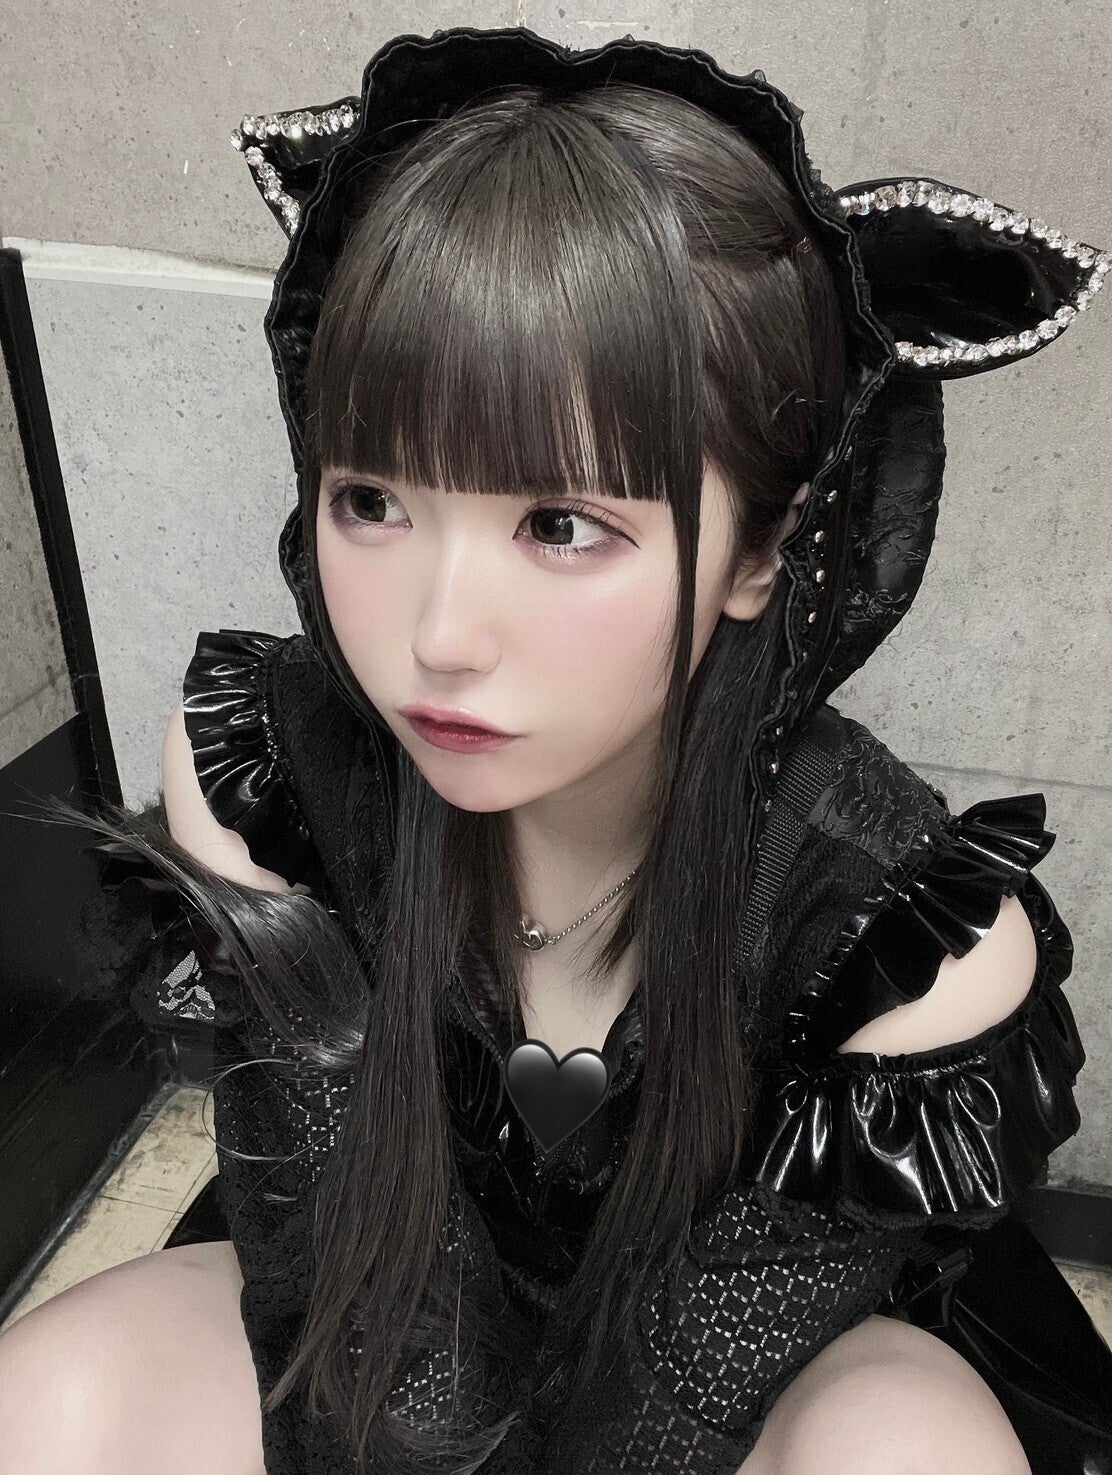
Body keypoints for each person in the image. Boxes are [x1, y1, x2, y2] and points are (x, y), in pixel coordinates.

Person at [0, 24, 1106, 1475]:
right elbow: (331, 1271)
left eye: (562, 525)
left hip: (734, 1381)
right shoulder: (272, 782)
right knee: (48, 1406)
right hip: (383, 1279)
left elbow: (674, 1416)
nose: (438, 634)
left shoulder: (900, 940)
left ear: (762, 550)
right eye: (372, 501)